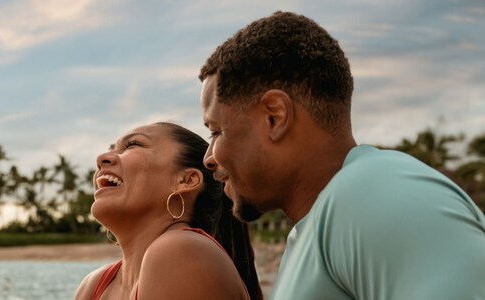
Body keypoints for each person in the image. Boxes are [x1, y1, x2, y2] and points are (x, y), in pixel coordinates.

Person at [198, 11, 485, 299]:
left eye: (216, 131)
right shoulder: (314, 229)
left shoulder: (375, 193)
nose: (209, 157)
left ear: (274, 116)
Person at [74, 122, 262, 300]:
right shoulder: (94, 284)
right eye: (112, 148)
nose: (102, 159)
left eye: (132, 145)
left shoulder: (182, 251)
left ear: (186, 180)